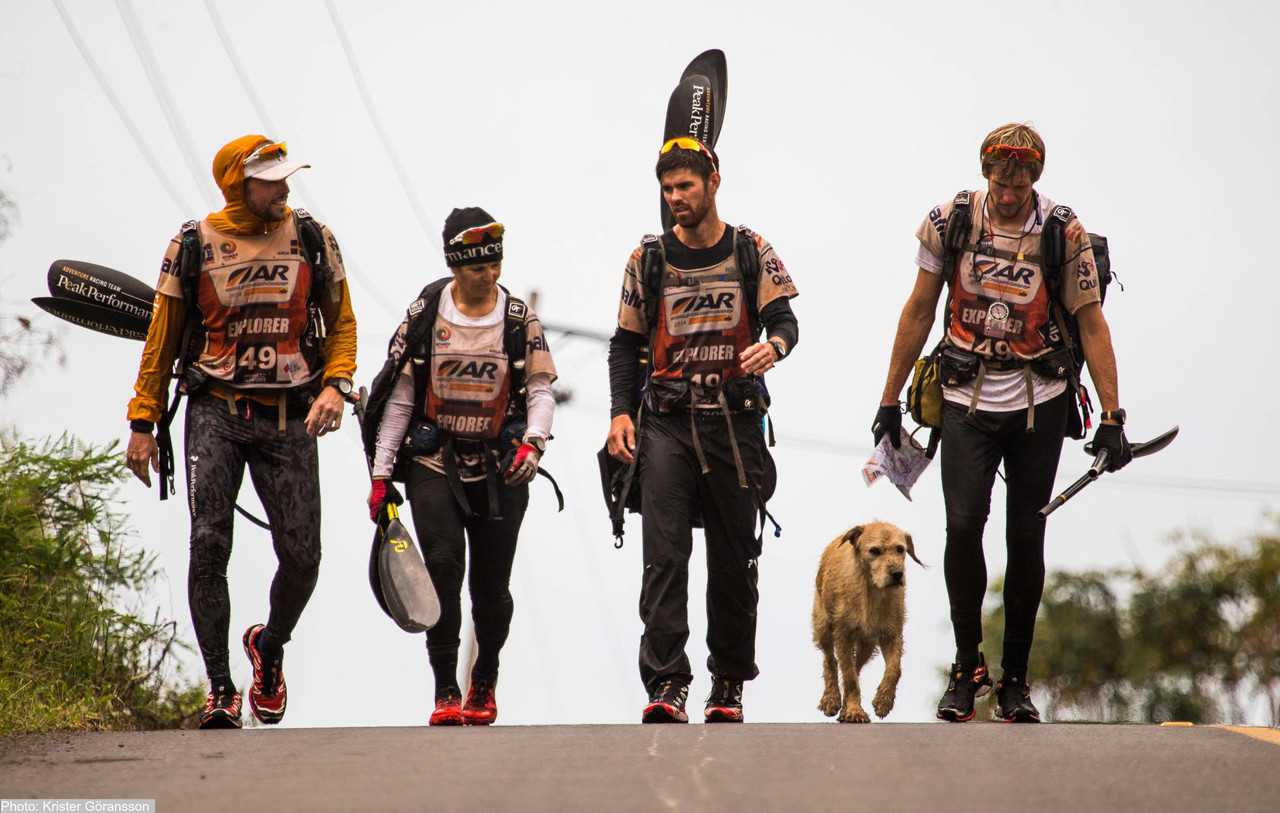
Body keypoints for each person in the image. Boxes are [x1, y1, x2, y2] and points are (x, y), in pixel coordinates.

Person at [872, 123, 1131, 723]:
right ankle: (968, 668)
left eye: (1018, 184)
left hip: (1041, 400)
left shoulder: (1063, 231)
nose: (1007, 193)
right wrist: (889, 399)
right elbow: (918, 309)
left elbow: (1091, 324)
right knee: (962, 528)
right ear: (985, 174)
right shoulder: (951, 221)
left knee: (1024, 538)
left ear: (1034, 180)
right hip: (967, 400)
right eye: (998, 181)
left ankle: (1015, 679)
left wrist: (1114, 415)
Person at [125, 136, 357, 730]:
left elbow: (343, 324)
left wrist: (337, 384)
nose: (284, 188)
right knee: (209, 546)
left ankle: (269, 647)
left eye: (286, 178)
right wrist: (143, 420)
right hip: (216, 413)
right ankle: (222, 689)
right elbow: (163, 336)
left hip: (291, 414)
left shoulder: (312, 237)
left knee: (304, 557)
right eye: (272, 180)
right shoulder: (194, 245)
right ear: (238, 184)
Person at [606, 138, 799, 724]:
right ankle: (666, 683)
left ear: (712, 184)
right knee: (664, 556)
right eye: (667, 190)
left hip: (736, 426)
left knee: (735, 559)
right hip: (665, 423)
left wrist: (775, 348)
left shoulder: (750, 249)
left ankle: (728, 684)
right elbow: (626, 344)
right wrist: (620, 413)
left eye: (685, 187)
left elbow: (785, 320)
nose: (675, 199)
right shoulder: (648, 259)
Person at [366, 207, 556, 727]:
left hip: (501, 467)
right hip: (434, 462)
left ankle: (484, 680)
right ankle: (445, 689)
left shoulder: (519, 320)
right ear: (455, 265)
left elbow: (540, 393)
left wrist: (533, 446)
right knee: (444, 572)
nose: (489, 274)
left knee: (491, 589)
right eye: (477, 267)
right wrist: (382, 476)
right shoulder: (427, 315)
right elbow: (400, 400)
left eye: (496, 263)